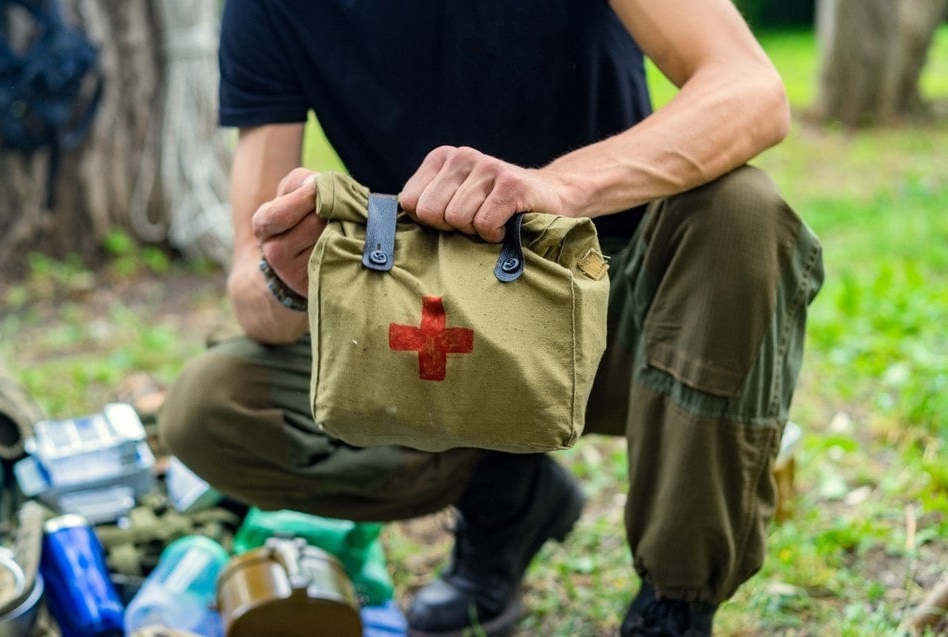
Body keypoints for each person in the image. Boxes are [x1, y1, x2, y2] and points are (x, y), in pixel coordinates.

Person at [158, 1, 825, 635]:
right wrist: (289, 278)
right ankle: (504, 500)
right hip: (429, 324)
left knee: (742, 211)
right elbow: (252, 280)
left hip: (621, 309)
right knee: (214, 406)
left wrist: (556, 189)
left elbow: (750, 89)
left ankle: (675, 603)